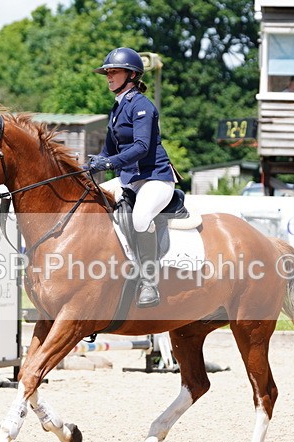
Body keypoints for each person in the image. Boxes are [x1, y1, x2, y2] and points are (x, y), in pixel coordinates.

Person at [86, 46, 178, 308]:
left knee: (140, 218)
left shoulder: (142, 106)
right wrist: (86, 167)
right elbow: (108, 151)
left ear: (132, 75)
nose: (109, 77)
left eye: (114, 72)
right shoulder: (116, 109)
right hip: (130, 178)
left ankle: (150, 282)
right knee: (91, 198)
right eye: (107, 73)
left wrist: (109, 162)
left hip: (155, 178)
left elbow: (141, 148)